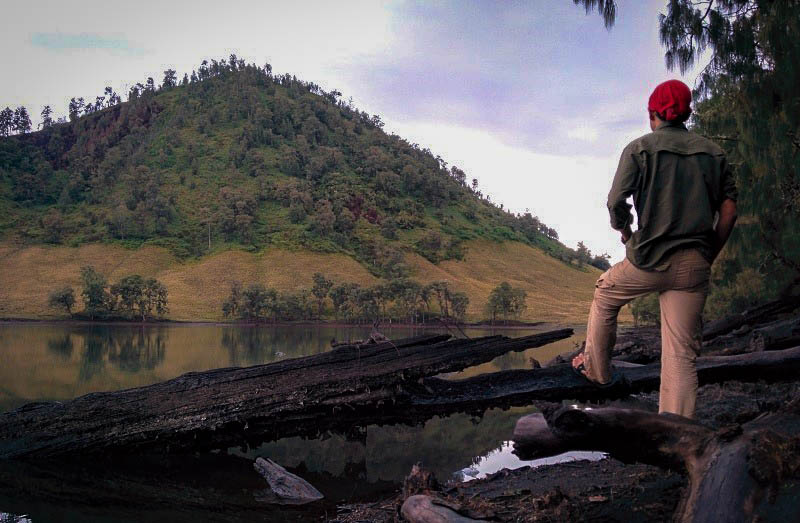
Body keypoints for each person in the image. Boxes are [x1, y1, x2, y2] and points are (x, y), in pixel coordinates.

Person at [571, 79, 738, 418]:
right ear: (687, 114)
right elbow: (729, 211)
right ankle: (677, 433)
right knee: (681, 356)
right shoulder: (714, 154)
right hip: (694, 265)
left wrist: (625, 231)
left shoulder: (639, 149)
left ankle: (596, 372)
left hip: (647, 259)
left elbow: (616, 201)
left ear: (652, 115)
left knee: (605, 295)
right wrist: (709, 254)